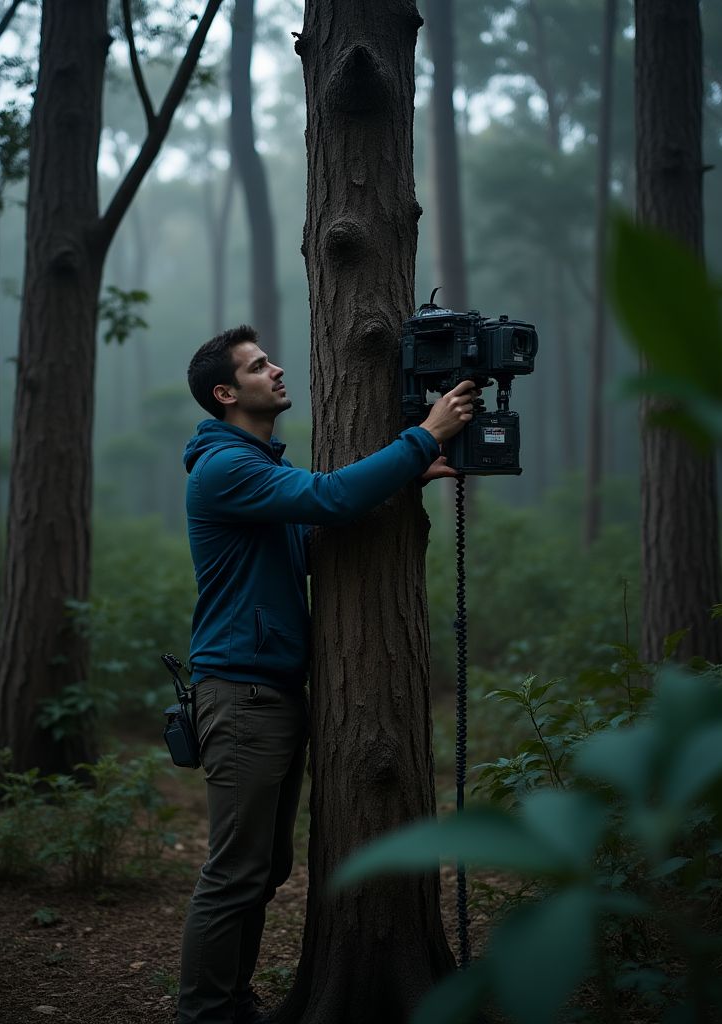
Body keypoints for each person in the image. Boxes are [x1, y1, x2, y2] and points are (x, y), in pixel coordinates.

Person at [177, 324, 479, 1024]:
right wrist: (423, 438)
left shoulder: (254, 467)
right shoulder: (226, 467)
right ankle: (205, 1015)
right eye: (259, 366)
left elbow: (316, 534)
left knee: (264, 870)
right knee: (236, 873)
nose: (277, 369)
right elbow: (333, 498)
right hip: (241, 694)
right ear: (227, 393)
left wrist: (403, 481)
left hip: (268, 692)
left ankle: (230, 1001)